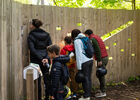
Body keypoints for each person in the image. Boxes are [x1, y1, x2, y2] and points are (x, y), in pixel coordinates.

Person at [27, 19, 52, 100]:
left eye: (31, 24)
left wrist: (41, 58)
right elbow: (50, 48)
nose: (30, 26)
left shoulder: (31, 35)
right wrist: (46, 58)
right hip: (45, 59)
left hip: (35, 60)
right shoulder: (47, 35)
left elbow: (32, 49)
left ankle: (39, 97)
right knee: (46, 79)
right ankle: (47, 97)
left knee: (37, 80)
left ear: (33, 25)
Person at [84, 29, 108, 98]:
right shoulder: (96, 37)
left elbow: (97, 49)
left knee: (101, 75)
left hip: (102, 58)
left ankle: (103, 92)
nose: (86, 37)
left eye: (85, 35)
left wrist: (99, 60)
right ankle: (102, 90)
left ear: (87, 34)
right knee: (101, 74)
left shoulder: (92, 39)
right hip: (104, 57)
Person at [71, 29, 93, 100]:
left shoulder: (77, 41)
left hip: (84, 62)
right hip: (90, 60)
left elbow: (79, 54)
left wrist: (79, 67)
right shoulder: (85, 38)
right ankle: (88, 94)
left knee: (85, 79)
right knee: (88, 78)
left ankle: (86, 96)